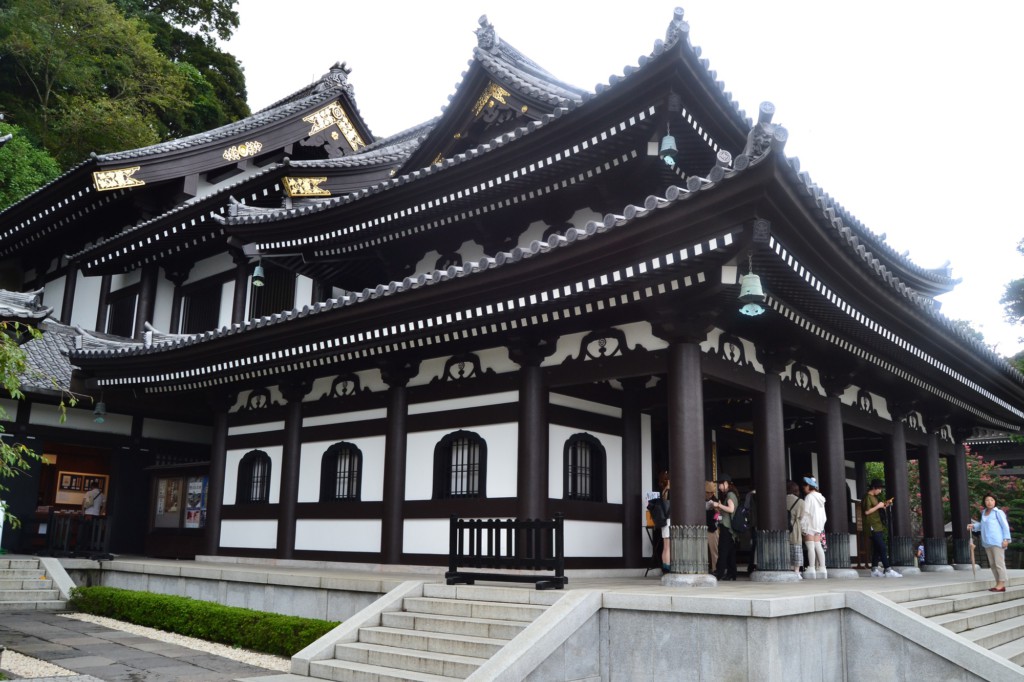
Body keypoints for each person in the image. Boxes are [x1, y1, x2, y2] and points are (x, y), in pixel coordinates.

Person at [969, 493, 1012, 592]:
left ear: (995, 501)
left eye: (992, 500)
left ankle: (1001, 584)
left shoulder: (998, 512)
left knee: (999, 563)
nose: (989, 502)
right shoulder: (984, 512)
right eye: (987, 500)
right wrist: (974, 526)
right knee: (992, 564)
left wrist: (1006, 539)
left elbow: (1005, 526)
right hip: (987, 542)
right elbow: (983, 525)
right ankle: (998, 583)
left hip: (998, 541)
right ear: (984, 502)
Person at [862, 479, 901, 578]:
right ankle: (887, 570)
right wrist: (879, 506)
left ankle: (874, 570)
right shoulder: (867, 497)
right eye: (879, 489)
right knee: (882, 547)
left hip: (877, 525)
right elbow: (866, 512)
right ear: (874, 488)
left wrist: (885, 504)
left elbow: (878, 508)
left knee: (877, 548)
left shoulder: (874, 497)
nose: (880, 491)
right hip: (872, 526)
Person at [712, 474, 740, 581]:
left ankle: (719, 573)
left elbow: (731, 509)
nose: (719, 486)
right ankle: (731, 573)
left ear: (726, 484)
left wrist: (718, 505)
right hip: (730, 529)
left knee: (723, 550)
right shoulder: (732, 494)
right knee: (730, 552)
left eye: (720, 484)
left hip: (727, 527)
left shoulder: (730, 495)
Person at [800, 476, 827, 579]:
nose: (803, 488)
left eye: (805, 485)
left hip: (810, 525)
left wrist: (803, 526)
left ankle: (811, 568)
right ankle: (822, 568)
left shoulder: (809, 497)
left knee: (810, 547)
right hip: (819, 526)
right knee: (818, 546)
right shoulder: (820, 497)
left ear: (808, 486)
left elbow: (805, 513)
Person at [786, 481, 805, 578]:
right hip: (795, 527)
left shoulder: (782, 499)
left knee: (785, 548)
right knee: (796, 548)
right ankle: (797, 571)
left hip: (784, 527)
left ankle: (786, 568)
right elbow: (802, 517)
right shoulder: (800, 502)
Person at [658, 470, 671, 573]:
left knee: (665, 546)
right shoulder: (669, 491)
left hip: (664, 521)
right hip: (669, 520)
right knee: (668, 547)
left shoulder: (663, 491)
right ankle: (667, 567)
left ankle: (665, 566)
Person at [705, 481, 719, 573]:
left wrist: (714, 521)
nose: (710, 494)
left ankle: (715, 569)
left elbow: (718, 514)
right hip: (702, 527)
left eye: (711, 492)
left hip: (712, 528)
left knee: (714, 550)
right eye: (708, 492)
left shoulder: (716, 501)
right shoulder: (699, 500)